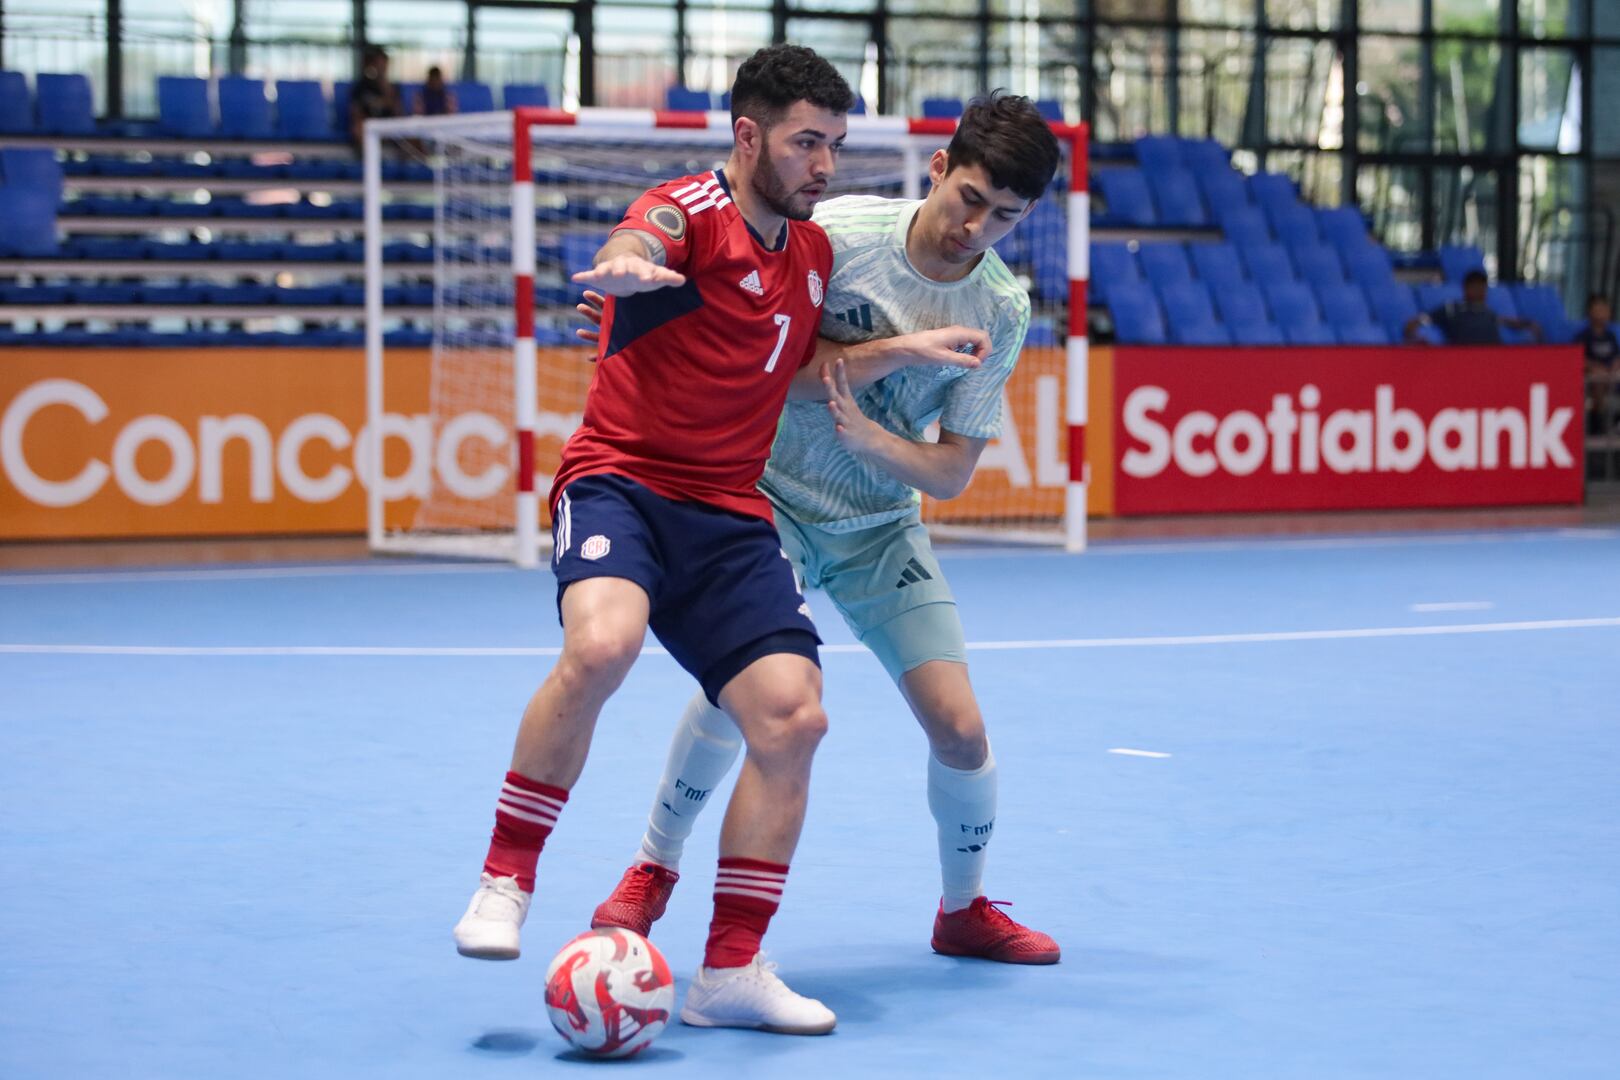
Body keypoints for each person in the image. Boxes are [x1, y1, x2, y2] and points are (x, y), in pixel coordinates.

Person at [450, 44, 987, 1037]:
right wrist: (623, 266)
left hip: (728, 509)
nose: (824, 164)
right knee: (602, 645)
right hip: (621, 484)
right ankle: (505, 879)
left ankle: (730, 970)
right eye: (805, 143)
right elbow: (642, 237)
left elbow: (792, 360)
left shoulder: (812, 255)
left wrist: (903, 351)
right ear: (749, 137)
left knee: (795, 719)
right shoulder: (688, 213)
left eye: (835, 144)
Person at [585, 92, 1064, 966]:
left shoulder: (1002, 311)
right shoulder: (837, 236)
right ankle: (653, 868)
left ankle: (964, 910)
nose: (977, 228)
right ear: (938, 170)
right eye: (970, 198)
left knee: (960, 729)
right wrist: (635, 316)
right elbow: (743, 336)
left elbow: (952, 472)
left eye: (1007, 216)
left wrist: (878, 442)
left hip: (880, 526)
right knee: (750, 697)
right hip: (765, 496)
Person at [1405, 268, 1542, 345]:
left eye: (1482, 287)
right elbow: (1419, 322)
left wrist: (1529, 324)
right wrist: (1416, 335)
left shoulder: (1488, 313)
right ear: (1466, 288)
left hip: (1495, 361)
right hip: (1463, 362)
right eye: (1475, 287)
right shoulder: (1451, 309)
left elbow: (1506, 321)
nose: (1480, 291)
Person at [1575, 293, 1618, 435]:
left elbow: (1617, 357)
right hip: (1594, 382)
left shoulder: (1610, 336)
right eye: (1597, 309)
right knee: (1597, 379)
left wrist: (1615, 366)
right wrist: (1595, 368)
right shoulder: (1583, 336)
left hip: (1612, 378)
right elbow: (1577, 359)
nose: (1601, 313)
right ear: (1589, 312)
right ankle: (1603, 425)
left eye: (1604, 309)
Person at [349, 45, 402, 146]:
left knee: (411, 130)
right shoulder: (362, 85)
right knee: (359, 127)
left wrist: (385, 87)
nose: (382, 67)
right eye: (379, 63)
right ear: (373, 64)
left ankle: (410, 161)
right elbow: (355, 111)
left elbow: (397, 111)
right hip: (369, 124)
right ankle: (369, 160)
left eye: (384, 64)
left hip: (388, 124)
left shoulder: (392, 87)